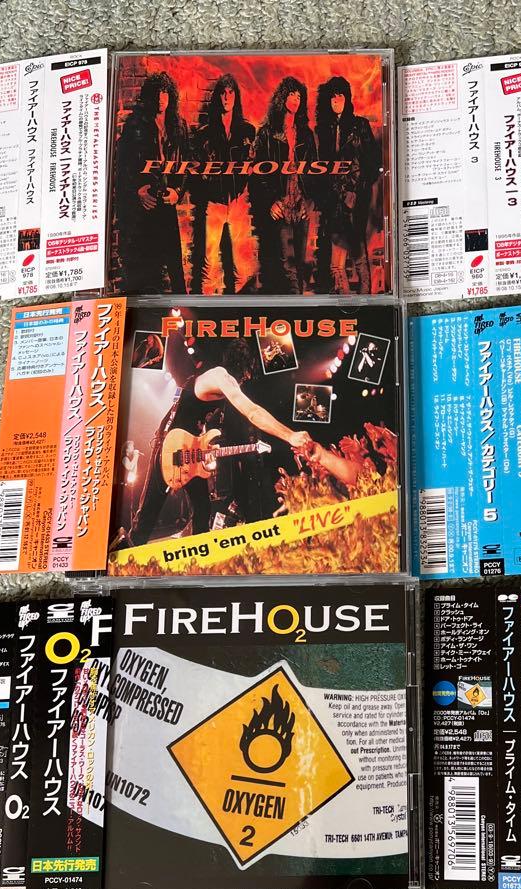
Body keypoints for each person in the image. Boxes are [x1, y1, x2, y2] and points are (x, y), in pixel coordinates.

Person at [124, 342, 312, 546]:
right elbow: (252, 412)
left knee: (202, 509)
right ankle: (124, 555)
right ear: (243, 365)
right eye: (248, 372)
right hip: (170, 444)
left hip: (189, 449)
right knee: (147, 515)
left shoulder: (218, 383)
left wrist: (205, 444)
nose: (247, 378)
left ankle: (199, 555)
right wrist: (290, 435)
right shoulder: (221, 377)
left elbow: (196, 421)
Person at [114, 72, 189, 293]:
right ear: (149, 95)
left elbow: (187, 163)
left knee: (175, 266)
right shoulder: (135, 125)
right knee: (146, 267)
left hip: (168, 201)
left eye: (164, 92)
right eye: (156, 92)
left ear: (170, 95)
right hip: (144, 204)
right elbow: (123, 165)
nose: (160, 98)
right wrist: (137, 190)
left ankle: (184, 306)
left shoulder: (179, 125)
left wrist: (178, 191)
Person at [189, 74, 256, 294]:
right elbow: (196, 170)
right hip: (214, 203)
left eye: (231, 93)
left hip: (238, 202)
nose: (227, 98)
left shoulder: (247, 131)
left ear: (236, 97)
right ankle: (205, 310)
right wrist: (207, 184)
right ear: (217, 97)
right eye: (223, 93)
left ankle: (239, 311)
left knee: (241, 269)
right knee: (209, 265)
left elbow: (253, 163)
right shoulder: (204, 134)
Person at [314, 76, 381, 294]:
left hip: (355, 198)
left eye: (340, 96)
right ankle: (344, 301)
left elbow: (373, 161)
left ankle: (366, 297)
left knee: (358, 248)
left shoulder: (360, 125)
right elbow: (320, 165)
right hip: (333, 200)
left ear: (347, 98)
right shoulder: (323, 129)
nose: (336, 101)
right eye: (332, 97)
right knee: (336, 264)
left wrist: (360, 187)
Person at [249, 77, 316, 293]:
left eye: (299, 96)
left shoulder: (306, 134)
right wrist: (270, 202)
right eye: (291, 95)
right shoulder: (267, 133)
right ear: (282, 98)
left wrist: (308, 202)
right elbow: (256, 173)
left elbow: (315, 172)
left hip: (300, 205)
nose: (296, 100)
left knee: (300, 264)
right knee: (287, 266)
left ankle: (297, 304)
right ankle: (294, 305)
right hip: (280, 205)